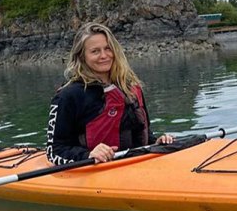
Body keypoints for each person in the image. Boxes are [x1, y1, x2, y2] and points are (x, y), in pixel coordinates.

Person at [45, 22, 173, 166]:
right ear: (82, 56)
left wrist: (158, 142)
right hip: (96, 172)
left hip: (137, 166)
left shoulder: (131, 87)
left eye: (108, 48)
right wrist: (88, 155)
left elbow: (146, 136)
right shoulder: (68, 96)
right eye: (95, 51)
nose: (104, 55)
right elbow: (54, 152)